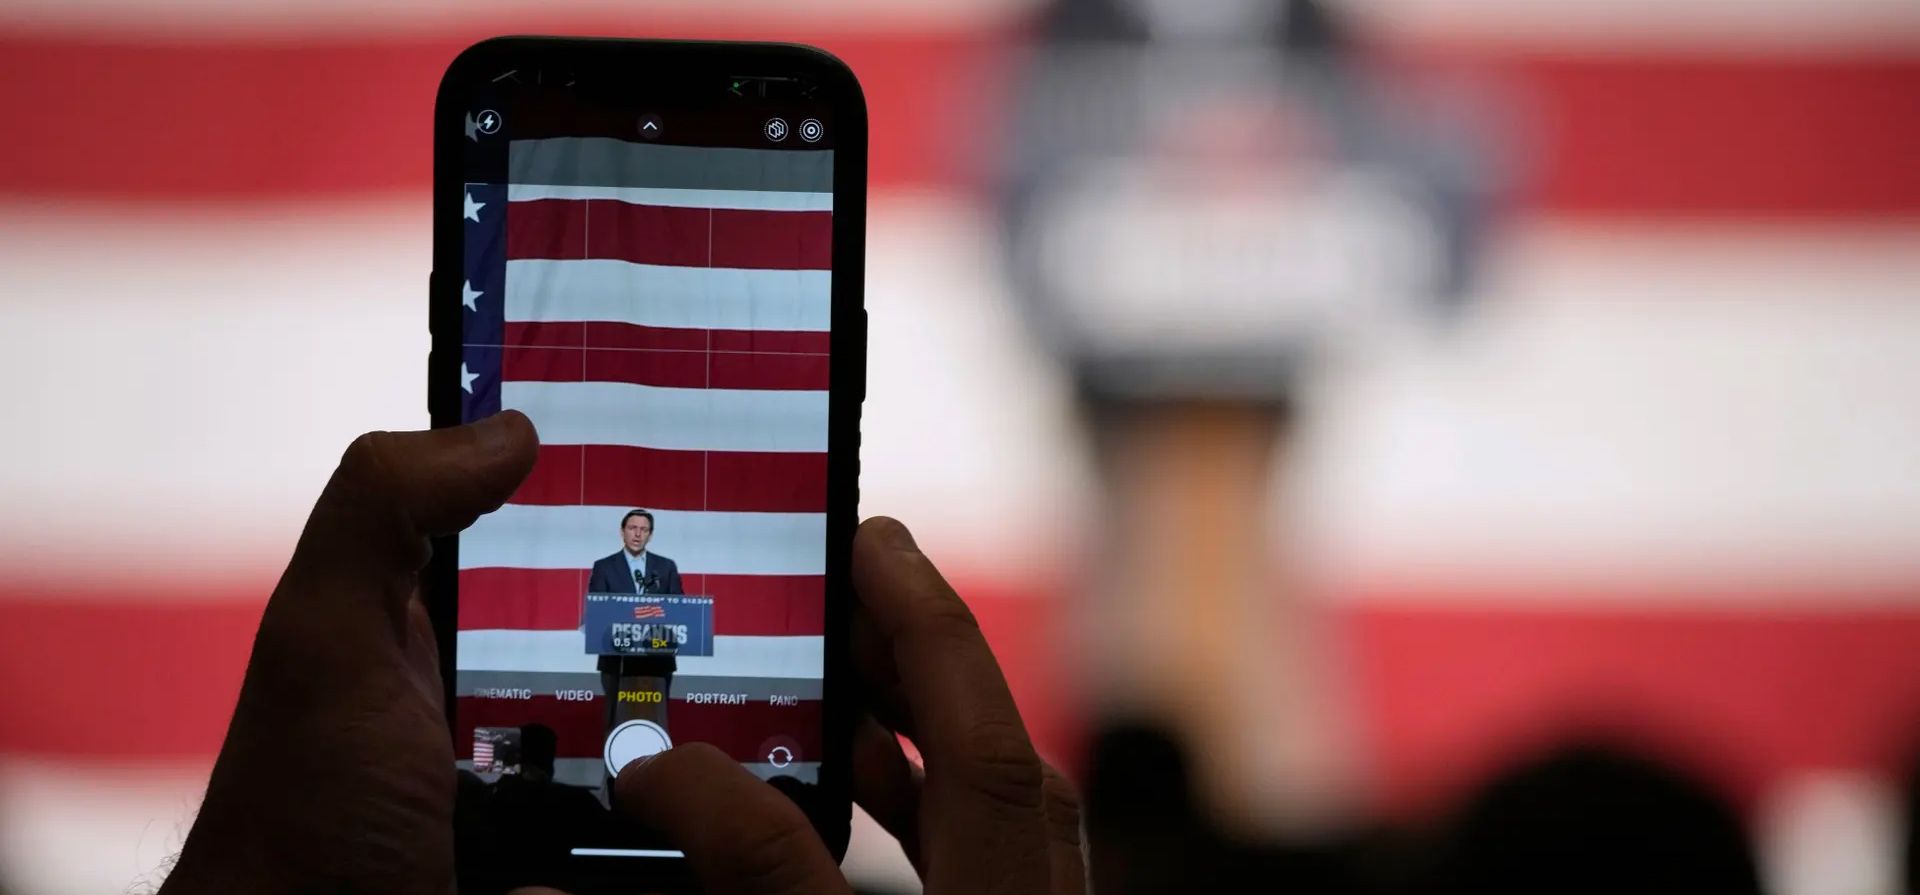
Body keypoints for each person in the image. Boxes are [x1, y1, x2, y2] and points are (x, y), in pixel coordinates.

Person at [155, 411, 1084, 895]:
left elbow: (675, 616)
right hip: (614, 681)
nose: (639, 531)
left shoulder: (666, 568)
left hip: (657, 678)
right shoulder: (606, 567)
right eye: (634, 523)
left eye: (644, 524)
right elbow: (602, 613)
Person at [587, 510, 683, 596]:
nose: (637, 534)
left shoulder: (666, 567)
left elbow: (677, 607)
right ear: (622, 532)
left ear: (650, 536)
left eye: (644, 530)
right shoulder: (603, 567)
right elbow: (597, 609)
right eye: (632, 528)